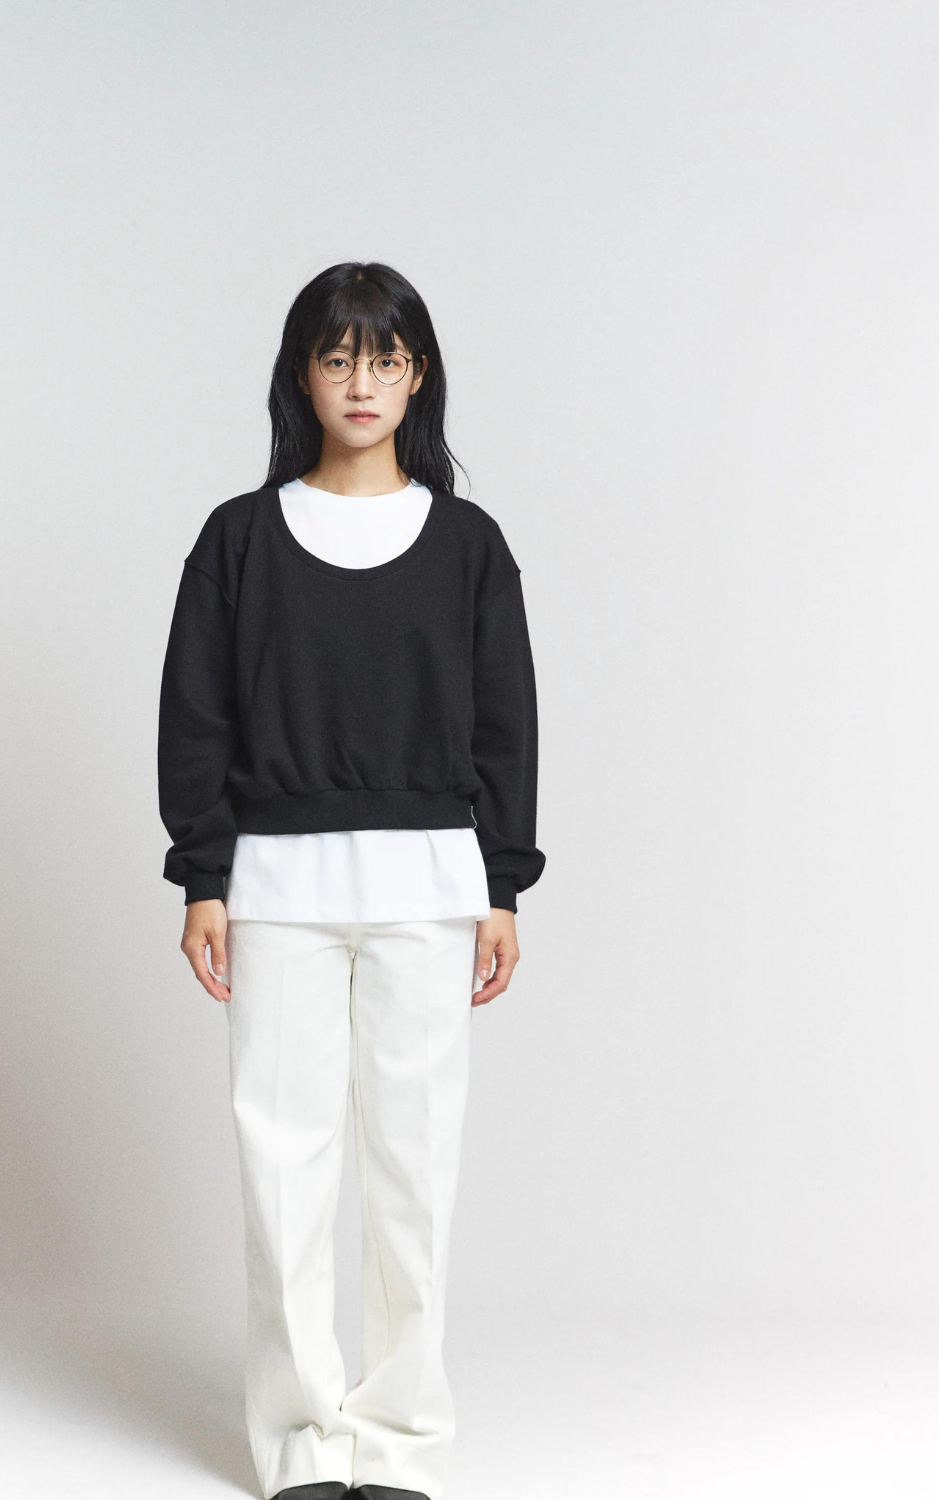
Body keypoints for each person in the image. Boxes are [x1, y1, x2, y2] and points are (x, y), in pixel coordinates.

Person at [157, 261, 545, 1500]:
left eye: (384, 359)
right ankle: (299, 1444)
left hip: (430, 888)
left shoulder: (469, 546)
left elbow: (506, 724)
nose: (361, 382)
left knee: (414, 1172)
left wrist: (502, 885)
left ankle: (402, 1441)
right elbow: (197, 715)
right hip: (276, 892)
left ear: (417, 374)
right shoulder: (240, 539)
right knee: (284, 1171)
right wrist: (203, 877)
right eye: (337, 359)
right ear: (303, 377)